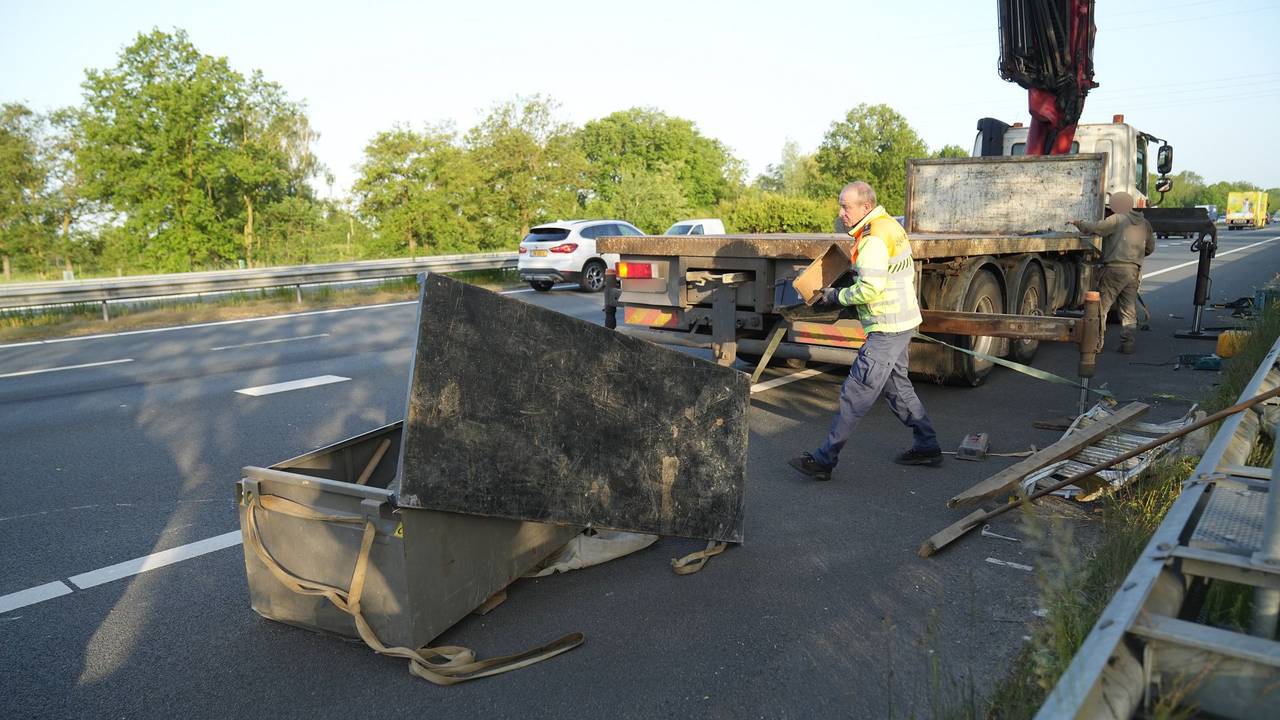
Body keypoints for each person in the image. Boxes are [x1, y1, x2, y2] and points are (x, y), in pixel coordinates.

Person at [789, 182, 941, 481]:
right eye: (841, 205)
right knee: (897, 387)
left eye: (846, 206)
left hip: (886, 327)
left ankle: (824, 461)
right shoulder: (888, 226)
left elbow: (870, 289)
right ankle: (927, 446)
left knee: (854, 394)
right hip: (901, 321)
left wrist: (836, 296)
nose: (841, 212)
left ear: (865, 207)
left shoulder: (872, 239)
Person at [1070, 191, 1155, 354]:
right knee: (1128, 309)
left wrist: (1078, 223)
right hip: (1133, 271)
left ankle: (1095, 343)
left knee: (1101, 308)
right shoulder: (1144, 224)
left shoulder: (1118, 219)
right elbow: (1150, 248)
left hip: (1114, 270)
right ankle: (1128, 344)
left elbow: (1097, 228)